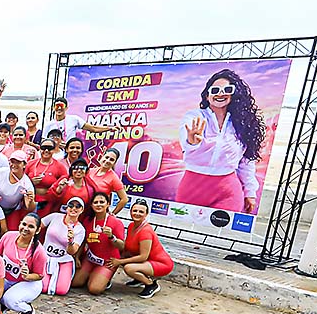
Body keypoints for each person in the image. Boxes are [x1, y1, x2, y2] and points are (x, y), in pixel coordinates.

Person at [177, 69, 266, 213]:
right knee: (184, 228)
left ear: (234, 94)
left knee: (220, 233)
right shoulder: (195, 116)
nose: (220, 93)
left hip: (228, 191)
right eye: (215, 90)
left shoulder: (242, 123)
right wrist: (192, 142)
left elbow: (246, 162)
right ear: (207, 95)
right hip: (192, 187)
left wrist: (250, 192)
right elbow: (186, 137)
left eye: (227, 89)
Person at [110, 199, 174, 299]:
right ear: (130, 212)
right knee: (122, 258)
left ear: (146, 214)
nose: (137, 213)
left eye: (141, 212)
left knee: (129, 268)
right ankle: (139, 279)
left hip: (161, 263)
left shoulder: (145, 231)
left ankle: (150, 284)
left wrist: (120, 261)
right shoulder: (132, 225)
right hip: (148, 260)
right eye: (135, 211)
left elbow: (143, 257)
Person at [0, 214, 47, 314]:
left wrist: (27, 276)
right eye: (24, 224)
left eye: (31, 226)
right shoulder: (8, 236)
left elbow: (40, 275)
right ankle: (3, 303)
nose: (26, 228)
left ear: (37, 230)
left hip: (28, 283)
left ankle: (27, 310)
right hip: (5, 279)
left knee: (9, 300)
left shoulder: (39, 251)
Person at [73, 192, 126, 295]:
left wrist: (111, 237)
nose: (99, 205)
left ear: (108, 204)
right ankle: (93, 275)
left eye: (102, 202)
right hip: (90, 258)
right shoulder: (88, 221)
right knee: (76, 283)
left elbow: (122, 246)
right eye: (95, 202)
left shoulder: (116, 222)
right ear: (92, 205)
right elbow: (83, 241)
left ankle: (104, 278)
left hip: (108, 262)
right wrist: (77, 257)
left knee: (94, 289)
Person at [41, 196, 86, 296]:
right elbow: (38, 225)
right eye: (71, 205)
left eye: (77, 206)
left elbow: (72, 251)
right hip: (46, 256)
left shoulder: (80, 230)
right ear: (67, 207)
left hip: (64, 259)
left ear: (81, 210)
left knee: (61, 290)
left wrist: (70, 241)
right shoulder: (55, 217)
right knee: (43, 288)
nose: (73, 208)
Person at [0, 151, 36, 230]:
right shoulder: (1, 171)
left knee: (10, 231)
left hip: (11, 210)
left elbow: (29, 208)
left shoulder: (27, 184)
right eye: (12, 162)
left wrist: (31, 200)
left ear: (24, 164)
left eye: (18, 162)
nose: (14, 165)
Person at [26, 138, 67, 217]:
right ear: (40, 149)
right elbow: (22, 180)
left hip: (48, 203)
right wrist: (30, 182)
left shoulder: (59, 166)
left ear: (54, 150)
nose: (46, 150)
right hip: (30, 201)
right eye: (44, 148)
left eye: (50, 148)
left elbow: (64, 184)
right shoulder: (30, 164)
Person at [42, 96, 112, 142]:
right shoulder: (49, 125)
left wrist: (109, 128)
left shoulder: (74, 119)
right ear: (53, 108)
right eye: (57, 106)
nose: (59, 108)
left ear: (66, 108)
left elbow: (93, 128)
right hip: (55, 154)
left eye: (62, 106)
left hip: (70, 152)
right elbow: (43, 141)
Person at [86, 148, 128, 215]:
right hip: (84, 208)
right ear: (102, 157)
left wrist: (112, 214)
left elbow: (124, 199)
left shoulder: (114, 178)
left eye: (111, 160)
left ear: (114, 163)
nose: (107, 161)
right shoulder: (90, 171)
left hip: (97, 213)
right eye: (106, 157)